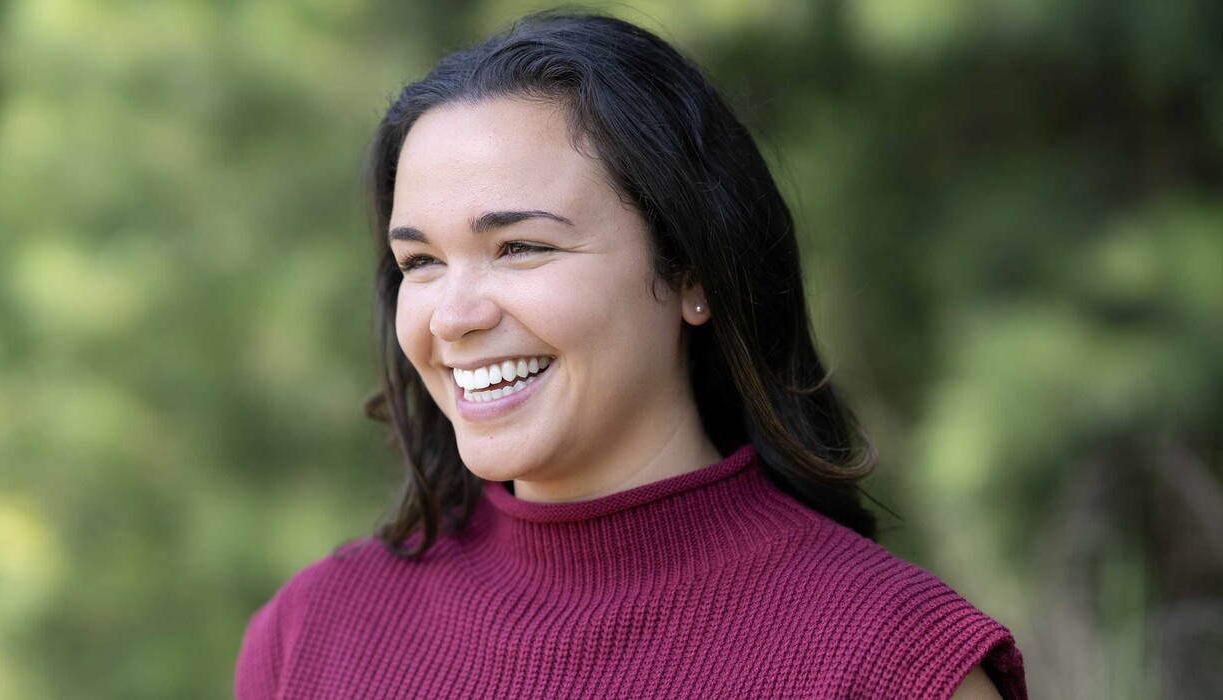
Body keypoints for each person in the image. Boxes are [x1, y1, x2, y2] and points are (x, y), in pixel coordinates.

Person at [236, 10, 1027, 699]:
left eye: (519, 246)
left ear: (690, 269)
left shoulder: (891, 661)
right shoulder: (313, 631)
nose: (455, 316)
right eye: (420, 263)